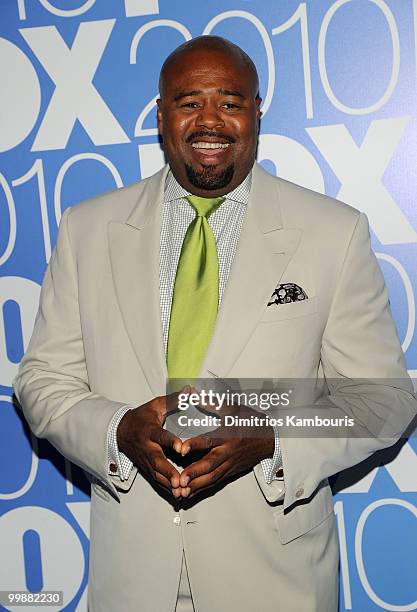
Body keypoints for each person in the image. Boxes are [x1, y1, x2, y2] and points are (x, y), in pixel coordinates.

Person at [14, 35, 416, 612]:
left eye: (230, 101)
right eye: (188, 101)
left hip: (277, 580)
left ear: (257, 111)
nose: (210, 120)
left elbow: (384, 397)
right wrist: (118, 429)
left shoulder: (334, 231)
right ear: (159, 114)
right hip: (132, 580)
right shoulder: (88, 229)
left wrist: (274, 433)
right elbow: (42, 380)